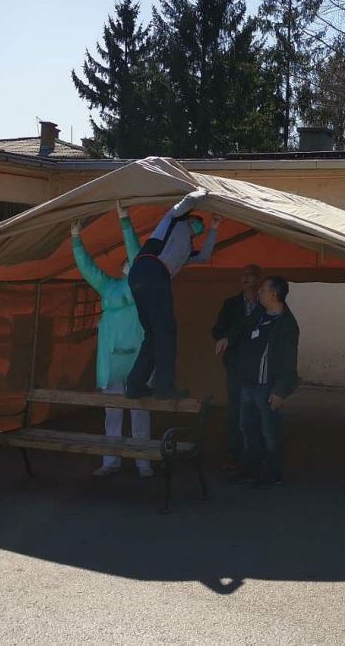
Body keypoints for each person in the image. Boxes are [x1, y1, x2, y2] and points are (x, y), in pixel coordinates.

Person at [72, 202, 154, 478]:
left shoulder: (142, 288)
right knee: (113, 415)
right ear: (121, 269)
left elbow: (136, 251)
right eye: (127, 264)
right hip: (111, 358)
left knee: (140, 414)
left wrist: (124, 220)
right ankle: (111, 460)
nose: (130, 264)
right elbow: (88, 269)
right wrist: (75, 239)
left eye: (134, 263)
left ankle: (143, 462)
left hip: (137, 357)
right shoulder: (108, 286)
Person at [124, 192, 222, 399]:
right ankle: (164, 387)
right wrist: (201, 192)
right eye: (198, 223)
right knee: (166, 332)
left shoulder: (186, 249)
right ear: (190, 218)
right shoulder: (172, 219)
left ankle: (135, 385)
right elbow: (185, 203)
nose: (198, 228)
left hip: (141, 275)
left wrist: (213, 229)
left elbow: (204, 256)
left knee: (153, 334)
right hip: (153, 270)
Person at [218, 276, 299, 488]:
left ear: (274, 294)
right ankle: (249, 469)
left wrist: (280, 391)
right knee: (247, 428)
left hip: (267, 388)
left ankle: (273, 474)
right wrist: (228, 338)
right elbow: (241, 327)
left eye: (263, 289)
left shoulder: (287, 325)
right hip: (248, 383)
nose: (258, 292)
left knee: (270, 432)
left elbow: (288, 362)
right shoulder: (259, 314)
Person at [210, 264, 263, 470]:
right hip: (236, 365)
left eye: (250, 275)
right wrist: (226, 338)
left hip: (260, 366)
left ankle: (258, 454)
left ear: (259, 279)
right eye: (243, 275)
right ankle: (234, 454)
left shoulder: (267, 304)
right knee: (236, 409)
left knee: (260, 409)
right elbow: (217, 330)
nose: (245, 278)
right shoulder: (231, 304)